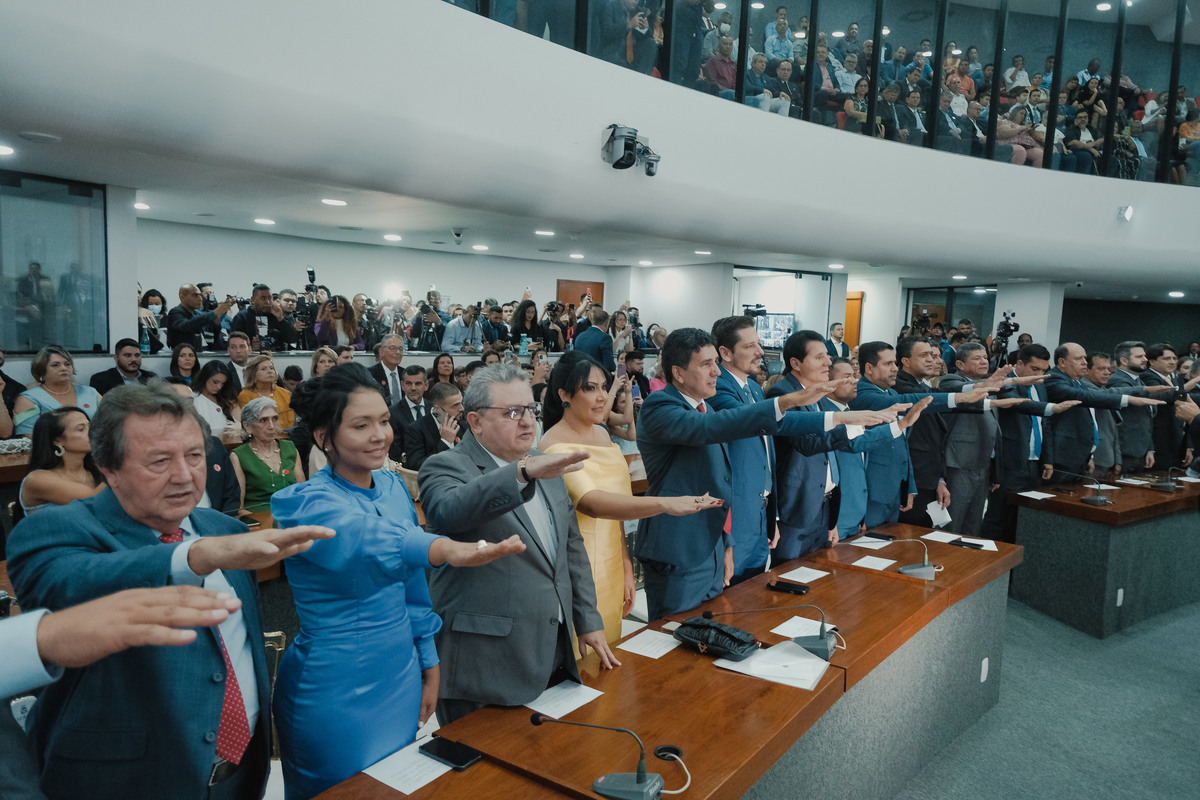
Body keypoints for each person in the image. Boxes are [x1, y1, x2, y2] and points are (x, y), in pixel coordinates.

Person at [7, 383, 334, 800]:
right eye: (159, 461)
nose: (184, 475)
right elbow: (68, 586)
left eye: (195, 456)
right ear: (108, 466)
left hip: (240, 776)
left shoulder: (226, 530)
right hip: (128, 783)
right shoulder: (57, 530)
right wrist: (192, 557)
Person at [266, 364, 522, 799]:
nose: (380, 435)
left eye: (384, 421)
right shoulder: (303, 503)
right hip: (334, 684)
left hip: (400, 671)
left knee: (396, 786)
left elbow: (412, 590)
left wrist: (428, 660)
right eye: (360, 425)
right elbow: (364, 537)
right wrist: (442, 548)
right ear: (325, 436)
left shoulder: (391, 486)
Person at [635, 328, 887, 619]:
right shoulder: (660, 406)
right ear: (678, 373)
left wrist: (726, 543)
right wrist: (788, 401)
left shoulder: (706, 409)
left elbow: (722, 477)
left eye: (716, 362)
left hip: (713, 543)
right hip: (678, 547)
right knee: (675, 635)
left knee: (722, 623)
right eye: (706, 364)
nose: (716, 372)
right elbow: (708, 429)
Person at [418, 364, 620, 725]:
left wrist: (588, 619)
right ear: (475, 422)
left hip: (551, 647)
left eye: (531, 409)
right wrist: (521, 473)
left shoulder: (544, 463)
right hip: (484, 664)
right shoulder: (444, 466)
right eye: (512, 412)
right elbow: (450, 511)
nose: (528, 421)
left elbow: (570, 549)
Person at [539, 351, 719, 643]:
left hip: (612, 560)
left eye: (603, 387)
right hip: (580, 566)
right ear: (564, 394)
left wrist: (625, 566)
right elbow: (594, 503)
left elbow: (616, 514)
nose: (601, 397)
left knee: (612, 649)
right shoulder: (553, 444)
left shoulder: (601, 435)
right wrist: (665, 503)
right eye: (590, 388)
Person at [768, 330, 924, 560]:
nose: (827, 362)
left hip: (825, 507)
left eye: (827, 357)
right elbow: (808, 442)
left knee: (820, 575)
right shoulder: (784, 393)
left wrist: (897, 425)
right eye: (820, 357)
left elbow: (851, 444)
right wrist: (853, 420)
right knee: (789, 577)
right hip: (798, 507)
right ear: (795, 363)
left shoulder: (818, 397)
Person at [1043, 343, 1163, 480]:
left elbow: (1105, 395)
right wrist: (1129, 399)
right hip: (1063, 455)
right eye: (1079, 359)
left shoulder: (1076, 381)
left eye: (1084, 358)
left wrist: (1090, 455)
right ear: (1062, 362)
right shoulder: (1054, 378)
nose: (1084, 363)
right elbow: (1087, 397)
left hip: (1080, 455)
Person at [19, 407, 105, 517]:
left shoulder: (96, 469)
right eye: (81, 429)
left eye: (90, 426)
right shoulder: (37, 479)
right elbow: (94, 504)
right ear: (57, 440)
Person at [230, 397, 304, 514]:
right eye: (263, 420)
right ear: (248, 426)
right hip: (260, 519)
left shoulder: (290, 448)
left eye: (274, 419)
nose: (271, 426)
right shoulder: (238, 456)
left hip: (292, 515)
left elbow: (302, 493)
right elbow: (239, 507)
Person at [14, 346, 101, 437]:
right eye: (55, 365)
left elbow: (110, 424)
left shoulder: (91, 393)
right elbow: (29, 438)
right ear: (41, 372)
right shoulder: (28, 399)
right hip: (51, 450)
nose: (63, 368)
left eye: (67, 364)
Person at [402, 380, 463, 471]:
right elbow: (416, 465)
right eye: (455, 405)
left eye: (461, 403)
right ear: (438, 409)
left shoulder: (463, 422)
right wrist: (445, 442)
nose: (462, 408)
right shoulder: (416, 430)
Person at [230, 283, 299, 352]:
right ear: (253, 299)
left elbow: (292, 339)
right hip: (252, 359)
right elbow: (233, 344)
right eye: (263, 298)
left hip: (277, 358)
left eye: (270, 298)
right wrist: (250, 347)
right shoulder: (242, 317)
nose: (268, 302)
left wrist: (281, 319)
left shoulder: (276, 316)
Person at [167, 283, 234, 351]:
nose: (200, 299)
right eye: (195, 295)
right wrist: (215, 312)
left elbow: (213, 325)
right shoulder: (175, 312)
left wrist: (224, 309)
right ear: (182, 297)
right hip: (182, 355)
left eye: (200, 295)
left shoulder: (198, 313)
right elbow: (188, 325)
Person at [237, 354, 295, 429]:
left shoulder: (286, 394)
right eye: (263, 369)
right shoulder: (245, 396)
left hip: (286, 437)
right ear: (253, 375)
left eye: (271, 368)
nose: (270, 371)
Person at [89, 338, 158, 395]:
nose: (133, 359)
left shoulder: (151, 377)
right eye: (128, 355)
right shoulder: (101, 380)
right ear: (116, 358)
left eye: (137, 355)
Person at [193, 360, 242, 437]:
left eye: (222, 383)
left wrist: (238, 426)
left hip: (226, 443)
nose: (219, 387)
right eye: (215, 382)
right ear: (205, 377)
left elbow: (240, 421)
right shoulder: (192, 396)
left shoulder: (228, 398)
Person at [574, 305, 617, 371]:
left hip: (580, 375)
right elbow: (609, 366)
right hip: (597, 376)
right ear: (606, 323)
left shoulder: (580, 336)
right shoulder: (605, 338)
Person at [368, 333, 407, 406]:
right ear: (381, 352)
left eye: (400, 349)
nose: (397, 352)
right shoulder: (369, 374)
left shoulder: (405, 374)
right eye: (392, 348)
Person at [138, 288, 168, 354]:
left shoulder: (168, 319)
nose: (154, 306)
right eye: (150, 304)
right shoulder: (142, 320)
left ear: (162, 304)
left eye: (157, 304)